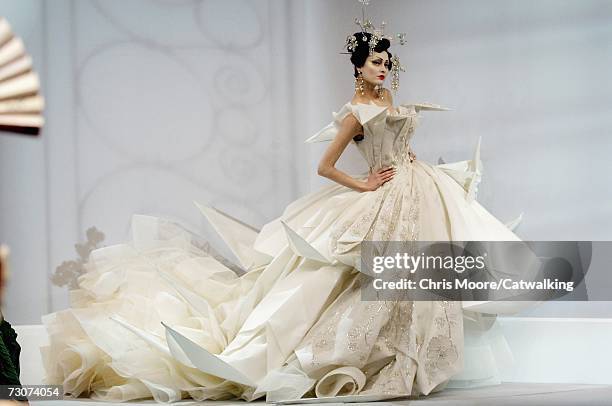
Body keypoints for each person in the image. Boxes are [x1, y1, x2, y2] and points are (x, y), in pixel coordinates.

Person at [41, 10, 526, 404]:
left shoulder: (388, 98)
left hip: (413, 188)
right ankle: (337, 356)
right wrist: (362, 183)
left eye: (387, 61)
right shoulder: (355, 111)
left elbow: (397, 140)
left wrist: (409, 159)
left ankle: (406, 357)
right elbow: (325, 166)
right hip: (380, 193)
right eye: (376, 61)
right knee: (346, 276)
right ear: (357, 65)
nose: (383, 68)